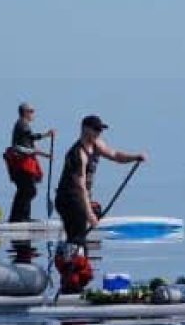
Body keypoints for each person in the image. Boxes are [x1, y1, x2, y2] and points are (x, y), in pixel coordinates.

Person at [53, 115, 146, 293]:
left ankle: (75, 281)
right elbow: (80, 186)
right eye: (96, 129)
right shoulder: (77, 153)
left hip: (80, 197)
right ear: (85, 128)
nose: (99, 132)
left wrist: (135, 157)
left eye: (100, 129)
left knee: (79, 241)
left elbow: (115, 155)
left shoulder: (97, 145)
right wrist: (89, 214)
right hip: (69, 199)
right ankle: (70, 285)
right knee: (77, 241)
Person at [2, 102, 55, 223]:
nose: (33, 114)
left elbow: (29, 139)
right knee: (28, 190)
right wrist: (46, 139)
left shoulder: (23, 124)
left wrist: (46, 136)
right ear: (25, 112)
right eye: (31, 111)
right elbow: (28, 140)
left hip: (23, 163)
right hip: (20, 164)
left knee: (26, 190)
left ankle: (21, 216)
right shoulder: (22, 124)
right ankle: (18, 217)